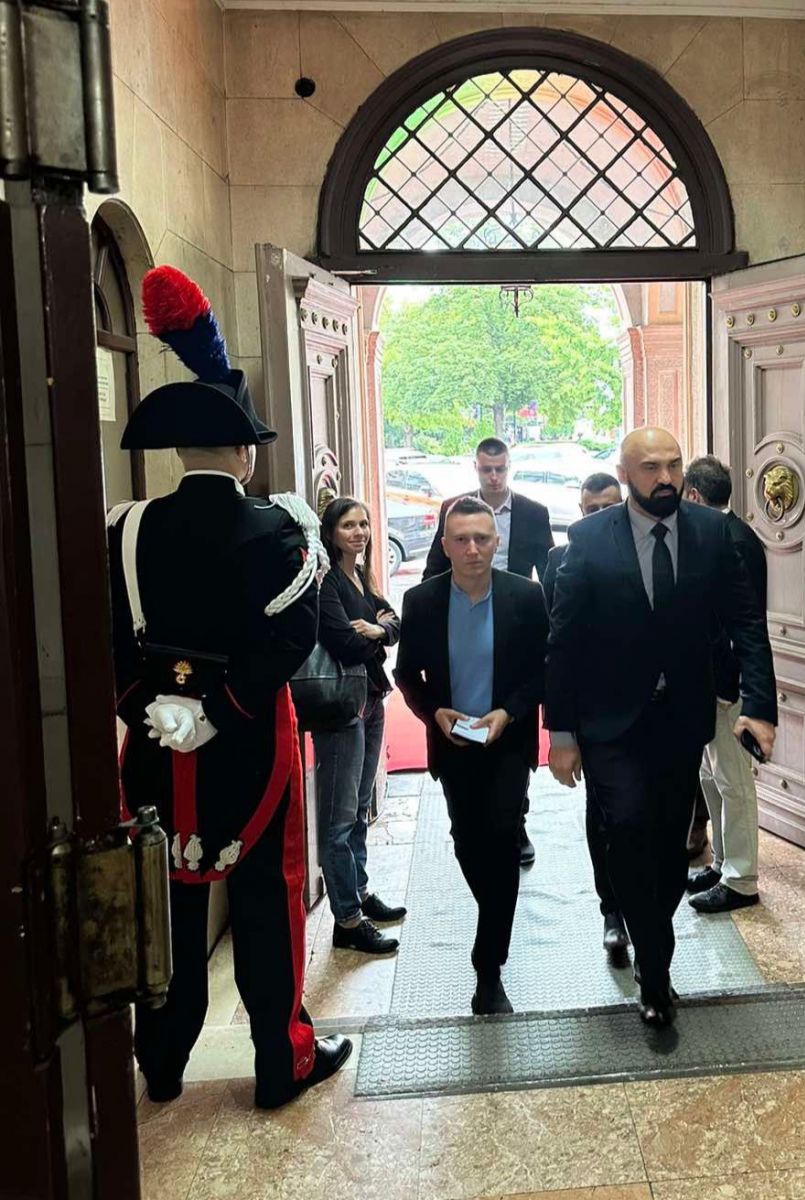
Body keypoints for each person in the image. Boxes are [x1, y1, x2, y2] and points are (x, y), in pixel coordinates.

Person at [108, 266, 349, 1110]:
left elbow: (109, 641)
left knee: (164, 901)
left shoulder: (127, 529)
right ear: (245, 453)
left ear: (181, 453)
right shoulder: (282, 527)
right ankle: (281, 1062)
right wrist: (218, 713)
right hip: (250, 743)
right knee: (266, 901)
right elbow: (289, 640)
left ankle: (162, 1062)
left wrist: (157, 710)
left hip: (153, 744)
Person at [546, 427, 777, 1026]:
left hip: (682, 719)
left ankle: (652, 941)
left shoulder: (712, 533)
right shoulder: (589, 539)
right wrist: (561, 734)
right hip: (609, 722)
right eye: (651, 467)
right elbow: (564, 642)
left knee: (673, 846)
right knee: (626, 829)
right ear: (626, 475)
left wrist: (759, 705)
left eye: (674, 465)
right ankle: (655, 968)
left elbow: (747, 623)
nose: (667, 477)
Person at [395, 497, 549, 1014]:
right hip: (454, 743)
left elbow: (542, 670)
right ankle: (497, 910)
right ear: (444, 545)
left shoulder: (525, 596)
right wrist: (433, 712)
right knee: (467, 841)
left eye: (482, 538)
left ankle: (488, 967)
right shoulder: (422, 601)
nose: (472, 549)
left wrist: (508, 712)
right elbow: (406, 674)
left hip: (508, 742)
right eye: (461, 540)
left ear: (496, 541)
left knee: (503, 838)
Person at [423, 436, 554, 867]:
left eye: (500, 469)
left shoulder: (533, 512)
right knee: (468, 722)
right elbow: (432, 571)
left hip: (514, 629)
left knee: (513, 726)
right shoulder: (455, 511)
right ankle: (470, 819)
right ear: (476, 468)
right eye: (486, 469)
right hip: (465, 620)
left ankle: (517, 820)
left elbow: (548, 576)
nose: (494, 476)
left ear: (509, 467)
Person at [542, 472, 629, 955]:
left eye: (609, 507)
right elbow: (556, 647)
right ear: (580, 512)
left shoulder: (650, 548)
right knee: (604, 814)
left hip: (654, 710)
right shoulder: (560, 561)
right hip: (595, 713)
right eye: (591, 509)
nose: (600, 516)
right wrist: (560, 731)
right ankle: (612, 911)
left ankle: (649, 914)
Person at [315, 496, 406, 955]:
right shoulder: (327, 581)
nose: (359, 532)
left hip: (370, 699)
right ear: (331, 533)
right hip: (342, 707)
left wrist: (375, 630)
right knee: (338, 819)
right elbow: (343, 643)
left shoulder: (361, 577)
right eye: (349, 525)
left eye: (364, 524)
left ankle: (360, 891)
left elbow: (395, 623)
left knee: (360, 810)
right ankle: (347, 921)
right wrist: (376, 632)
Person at [682, 455, 768, 913]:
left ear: (694, 495)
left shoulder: (735, 540)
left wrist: (737, 687)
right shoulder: (718, 534)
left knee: (734, 781)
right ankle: (721, 861)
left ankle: (741, 880)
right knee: (710, 775)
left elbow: (743, 625)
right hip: (706, 680)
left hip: (728, 682)